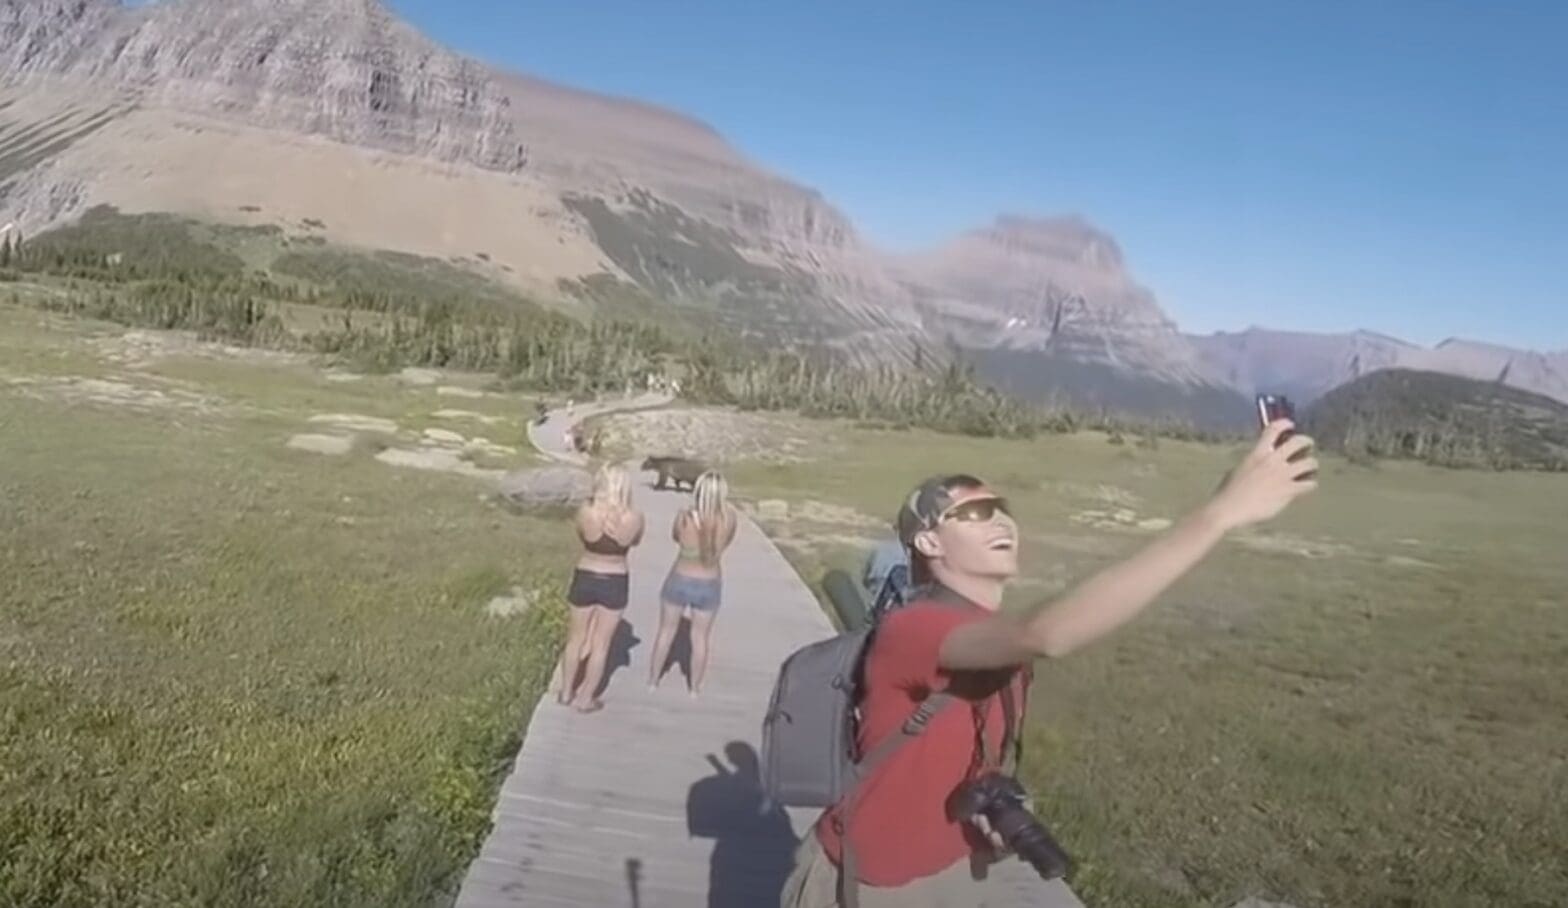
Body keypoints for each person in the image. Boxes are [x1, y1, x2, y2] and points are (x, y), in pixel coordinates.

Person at [780, 419, 1319, 907]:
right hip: (871, 884)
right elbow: (1051, 633)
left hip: (952, 871)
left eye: (1002, 509)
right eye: (972, 513)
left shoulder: (991, 635)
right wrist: (1219, 513)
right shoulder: (914, 629)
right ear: (927, 541)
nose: (1000, 522)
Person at [555, 463, 645, 713]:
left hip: (586, 573)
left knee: (575, 640)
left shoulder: (586, 511)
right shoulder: (635, 517)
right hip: (615, 577)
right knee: (601, 645)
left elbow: (581, 535)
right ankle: (585, 698)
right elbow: (635, 541)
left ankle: (565, 692)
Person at [648, 470, 738, 697]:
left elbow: (676, 537)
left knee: (666, 631)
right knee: (700, 638)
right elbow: (726, 543)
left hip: (680, 576)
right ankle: (694, 688)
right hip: (709, 581)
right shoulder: (729, 518)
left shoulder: (685, 516)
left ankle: (653, 680)